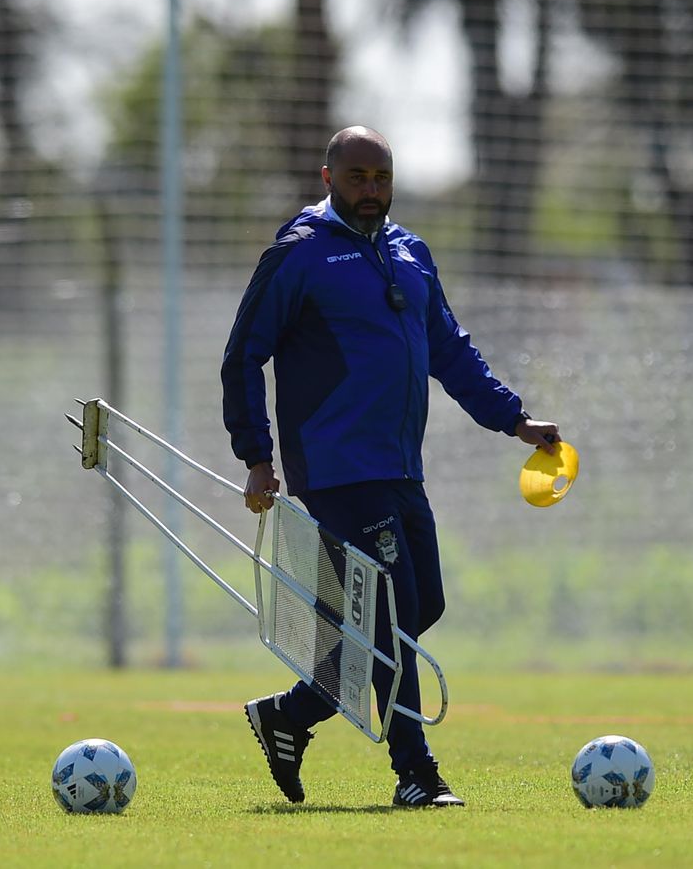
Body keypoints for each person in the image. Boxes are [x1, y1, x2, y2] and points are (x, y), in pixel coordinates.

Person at [221, 125, 561, 808]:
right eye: (356, 178)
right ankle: (416, 773)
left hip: (401, 466)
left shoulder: (411, 252)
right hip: (336, 467)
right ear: (327, 178)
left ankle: (290, 715)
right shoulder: (299, 253)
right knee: (393, 615)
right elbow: (242, 356)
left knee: (420, 603)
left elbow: (451, 350)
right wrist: (257, 456)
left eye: (381, 177)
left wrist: (514, 419)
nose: (371, 190)